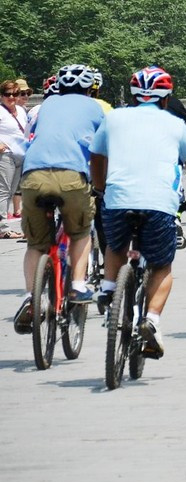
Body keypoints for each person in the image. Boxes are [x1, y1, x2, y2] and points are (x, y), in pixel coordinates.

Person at [89, 67, 186, 358]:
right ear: (166, 99)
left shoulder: (114, 117)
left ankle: (108, 287)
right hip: (158, 203)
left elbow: (96, 156)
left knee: (115, 245)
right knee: (161, 265)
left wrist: (102, 188)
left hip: (117, 200)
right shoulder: (175, 125)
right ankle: (152, 320)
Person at [14, 65, 105, 333]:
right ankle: (77, 285)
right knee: (80, 234)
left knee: (35, 244)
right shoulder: (95, 108)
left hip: (33, 176)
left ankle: (33, 298)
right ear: (90, 89)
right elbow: (102, 149)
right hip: (71, 175)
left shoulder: (46, 106)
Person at [0, 80, 28, 237]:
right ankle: (2, 229)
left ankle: (3, 225)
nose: (11, 97)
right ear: (1, 96)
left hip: (20, 154)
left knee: (10, 192)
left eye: (15, 94)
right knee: (3, 191)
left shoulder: (21, 110)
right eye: (7, 94)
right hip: (5, 155)